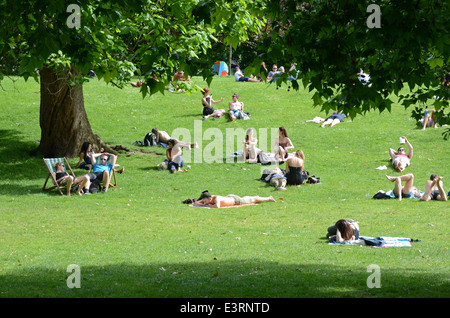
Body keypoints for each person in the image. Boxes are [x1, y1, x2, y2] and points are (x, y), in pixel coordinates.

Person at [193, 191, 276, 208]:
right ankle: (254, 196)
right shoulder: (209, 198)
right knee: (247, 198)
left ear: (209, 198)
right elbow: (196, 203)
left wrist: (204, 205)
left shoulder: (216, 199)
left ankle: (268, 198)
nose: (204, 202)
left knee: (253, 200)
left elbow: (217, 206)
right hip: (231, 198)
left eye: (205, 200)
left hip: (235, 200)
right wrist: (201, 203)